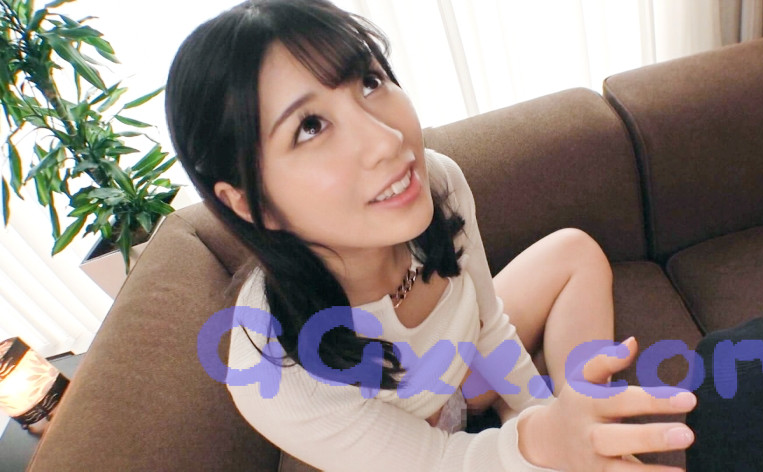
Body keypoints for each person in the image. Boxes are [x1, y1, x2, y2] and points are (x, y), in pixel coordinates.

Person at [165, 0, 697, 470]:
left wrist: (553, 420)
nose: (387, 140)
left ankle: (587, 415)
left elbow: (489, 326)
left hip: (463, 375)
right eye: (310, 127)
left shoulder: (437, 182)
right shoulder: (272, 368)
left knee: (574, 250)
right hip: (410, 446)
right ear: (248, 202)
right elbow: (441, 461)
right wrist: (540, 442)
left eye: (369, 81)